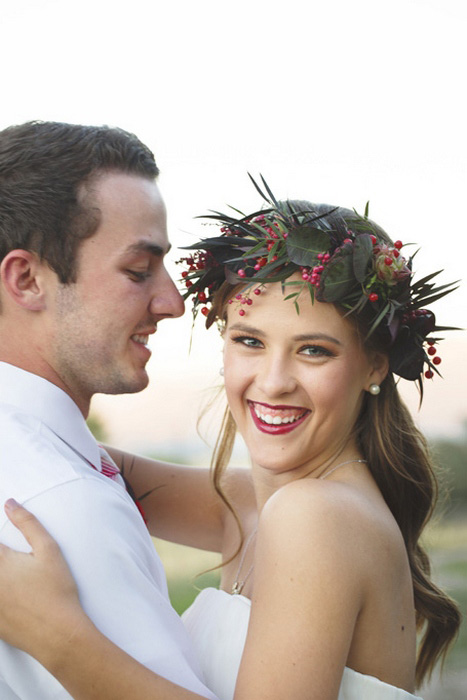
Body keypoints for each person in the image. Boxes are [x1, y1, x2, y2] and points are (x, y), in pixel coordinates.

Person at [0, 177, 461, 700]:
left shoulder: (317, 516)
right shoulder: (245, 503)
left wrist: (56, 638)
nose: (272, 381)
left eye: (314, 351)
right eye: (249, 341)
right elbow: (65, 454)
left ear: (375, 364)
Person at [0, 120, 218, 700]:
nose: (172, 302)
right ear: (26, 279)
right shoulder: (60, 506)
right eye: (138, 271)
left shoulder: (62, 464)